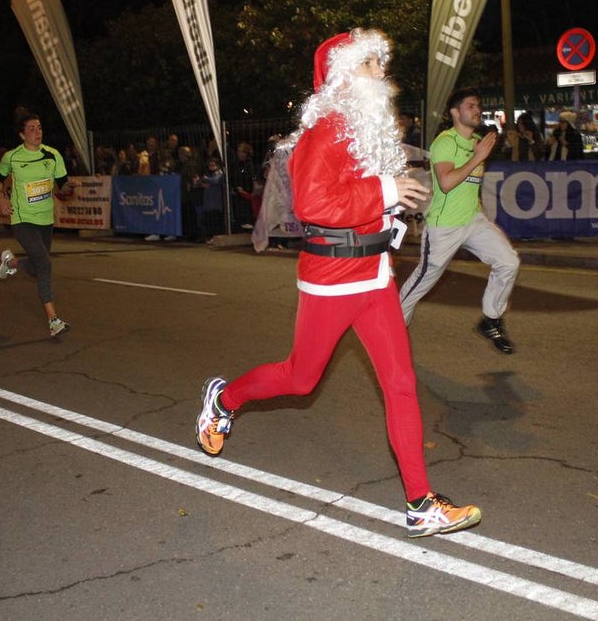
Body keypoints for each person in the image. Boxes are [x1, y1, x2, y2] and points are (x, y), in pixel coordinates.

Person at [196, 28, 482, 539]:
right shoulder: (325, 130)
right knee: (300, 379)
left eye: (379, 63)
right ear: (344, 75)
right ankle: (224, 400)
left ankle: (421, 504)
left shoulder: (363, 131)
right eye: (372, 64)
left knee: (401, 384)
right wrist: (384, 190)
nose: (381, 73)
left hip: (374, 278)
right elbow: (313, 205)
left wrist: (390, 210)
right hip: (332, 280)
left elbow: (358, 199)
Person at [399, 88, 520, 354]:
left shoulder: (477, 140)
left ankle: (491, 319)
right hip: (444, 226)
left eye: (478, 105)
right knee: (422, 280)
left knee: (508, 261)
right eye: (471, 105)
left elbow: (471, 187)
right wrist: (477, 157)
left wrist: (481, 215)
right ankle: (392, 329)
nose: (477, 110)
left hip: (473, 220)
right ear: (455, 112)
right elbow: (446, 183)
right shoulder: (445, 142)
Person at [0, 109, 74, 337]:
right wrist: (1, 198)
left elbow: (62, 185)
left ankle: (11, 265)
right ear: (22, 135)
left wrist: (70, 186)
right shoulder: (12, 157)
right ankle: (53, 319)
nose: (37, 132)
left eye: (39, 128)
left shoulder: (52, 155)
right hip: (21, 219)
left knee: (39, 266)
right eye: (31, 129)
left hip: (45, 219)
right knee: (45, 265)